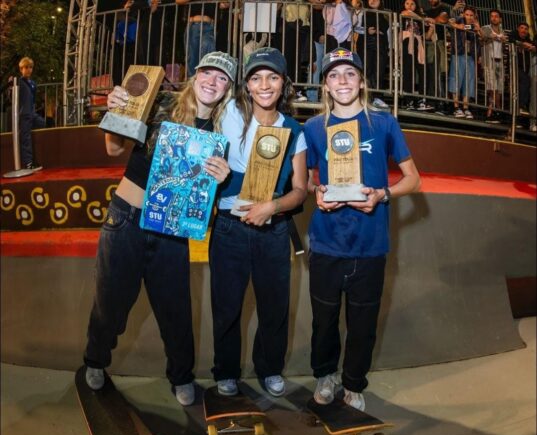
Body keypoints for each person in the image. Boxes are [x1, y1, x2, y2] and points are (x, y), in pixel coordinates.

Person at [83, 51, 237, 406]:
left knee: (176, 309)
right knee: (110, 302)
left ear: (228, 88)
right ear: (195, 75)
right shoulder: (159, 101)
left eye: (222, 78)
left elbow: (207, 192)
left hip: (172, 228)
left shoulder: (222, 131)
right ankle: (95, 361)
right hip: (126, 219)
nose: (212, 82)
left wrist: (220, 178)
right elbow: (113, 148)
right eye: (208, 73)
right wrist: (118, 109)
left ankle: (181, 376)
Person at [303, 47, 421, 410]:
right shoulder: (312, 128)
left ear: (362, 81)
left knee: (363, 323)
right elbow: (308, 180)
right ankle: (325, 375)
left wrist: (382, 195)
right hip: (326, 243)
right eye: (334, 75)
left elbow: (413, 179)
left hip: (370, 244)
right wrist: (317, 193)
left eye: (350, 74)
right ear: (325, 85)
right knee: (323, 321)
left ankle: (354, 382)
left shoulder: (384, 123)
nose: (343, 81)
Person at [209, 47, 308, 397]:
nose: (264, 84)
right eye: (256, 78)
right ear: (246, 85)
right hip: (229, 230)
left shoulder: (295, 130)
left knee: (274, 308)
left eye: (272, 77)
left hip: (273, 232)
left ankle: (269, 369)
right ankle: (226, 371)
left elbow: (300, 191)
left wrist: (273, 207)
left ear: (284, 84)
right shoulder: (228, 114)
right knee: (226, 307)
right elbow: (193, 107)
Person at [354, 0, 391, 109]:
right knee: (366, 70)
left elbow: (389, 33)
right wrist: (366, 30)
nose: (373, 0)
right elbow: (355, 27)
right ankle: (365, 97)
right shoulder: (361, 12)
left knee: (379, 70)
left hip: (381, 45)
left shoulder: (386, 14)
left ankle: (377, 97)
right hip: (366, 43)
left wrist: (390, 48)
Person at [399, 0, 435, 111]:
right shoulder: (403, 14)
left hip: (419, 44)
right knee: (408, 71)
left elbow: (427, 37)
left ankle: (421, 100)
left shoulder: (419, 20)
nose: (409, 6)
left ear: (416, 6)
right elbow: (407, 13)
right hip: (406, 42)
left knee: (423, 71)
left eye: (412, 4)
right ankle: (409, 101)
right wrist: (424, 19)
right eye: (407, 3)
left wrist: (432, 27)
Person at [447, 5, 480, 119]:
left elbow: (478, 33)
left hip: (471, 56)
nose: (469, 17)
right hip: (458, 53)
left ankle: (466, 108)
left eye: (471, 15)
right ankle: (456, 107)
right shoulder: (458, 19)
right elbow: (449, 21)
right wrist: (457, 25)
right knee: (456, 79)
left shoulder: (475, 24)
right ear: (463, 14)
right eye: (467, 14)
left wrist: (476, 28)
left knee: (468, 82)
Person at [16, 57, 46, 171]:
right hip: (24, 114)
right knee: (25, 138)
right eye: (26, 67)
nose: (28, 70)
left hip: (32, 112)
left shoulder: (32, 83)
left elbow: (33, 98)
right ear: (21, 69)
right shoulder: (19, 82)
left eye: (30, 67)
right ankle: (28, 163)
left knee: (44, 123)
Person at [424, 0, 451, 114]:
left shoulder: (444, 7)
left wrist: (429, 20)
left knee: (440, 74)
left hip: (439, 44)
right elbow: (426, 35)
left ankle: (441, 104)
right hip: (429, 45)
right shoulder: (426, 11)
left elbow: (443, 19)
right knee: (432, 74)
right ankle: (433, 102)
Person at [480, 9, 507, 123]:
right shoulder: (486, 28)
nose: (494, 18)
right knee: (492, 87)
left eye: (496, 16)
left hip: (499, 62)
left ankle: (491, 113)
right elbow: (483, 36)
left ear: (500, 19)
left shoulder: (503, 31)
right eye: (492, 16)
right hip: (488, 61)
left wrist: (498, 37)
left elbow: (505, 40)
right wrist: (496, 37)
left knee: (499, 88)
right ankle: (498, 111)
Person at [510, 22, 537, 130]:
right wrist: (521, 44)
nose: (524, 30)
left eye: (526, 29)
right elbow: (509, 39)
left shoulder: (529, 40)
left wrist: (532, 47)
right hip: (514, 68)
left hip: (525, 70)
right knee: (526, 81)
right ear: (518, 29)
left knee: (525, 84)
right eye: (522, 28)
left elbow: (533, 45)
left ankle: (522, 108)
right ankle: (521, 106)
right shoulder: (513, 35)